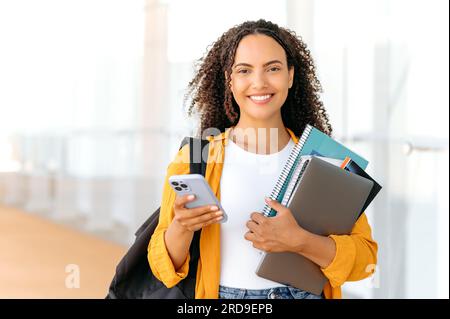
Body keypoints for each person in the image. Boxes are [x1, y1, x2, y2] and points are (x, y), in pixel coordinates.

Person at [148, 19, 378, 299]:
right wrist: (182, 226)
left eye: (273, 68)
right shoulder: (197, 158)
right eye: (244, 70)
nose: (259, 82)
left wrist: (300, 241)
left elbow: (365, 262)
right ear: (229, 80)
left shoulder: (327, 160)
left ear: (290, 76)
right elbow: (162, 269)